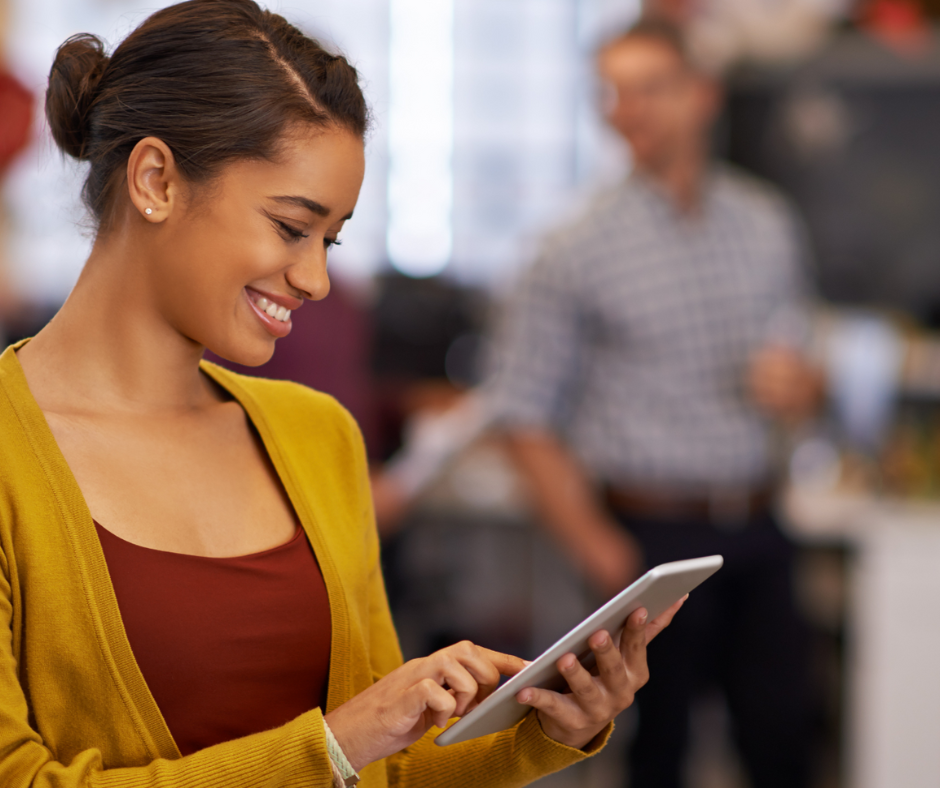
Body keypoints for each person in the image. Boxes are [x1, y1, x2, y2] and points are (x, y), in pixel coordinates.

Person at [0, 2, 687, 786]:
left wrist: (546, 728)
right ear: (156, 179)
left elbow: (382, 765)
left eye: (330, 239)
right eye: (292, 227)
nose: (316, 278)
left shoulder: (316, 437)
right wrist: (331, 745)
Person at [490, 16, 821, 788]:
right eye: (611, 91)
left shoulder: (767, 223)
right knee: (656, 754)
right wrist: (595, 545)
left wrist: (807, 386)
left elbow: (805, 366)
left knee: (785, 741)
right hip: (648, 538)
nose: (625, 109)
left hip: (759, 521)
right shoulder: (572, 248)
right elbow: (522, 412)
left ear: (702, 95)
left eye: (649, 87)